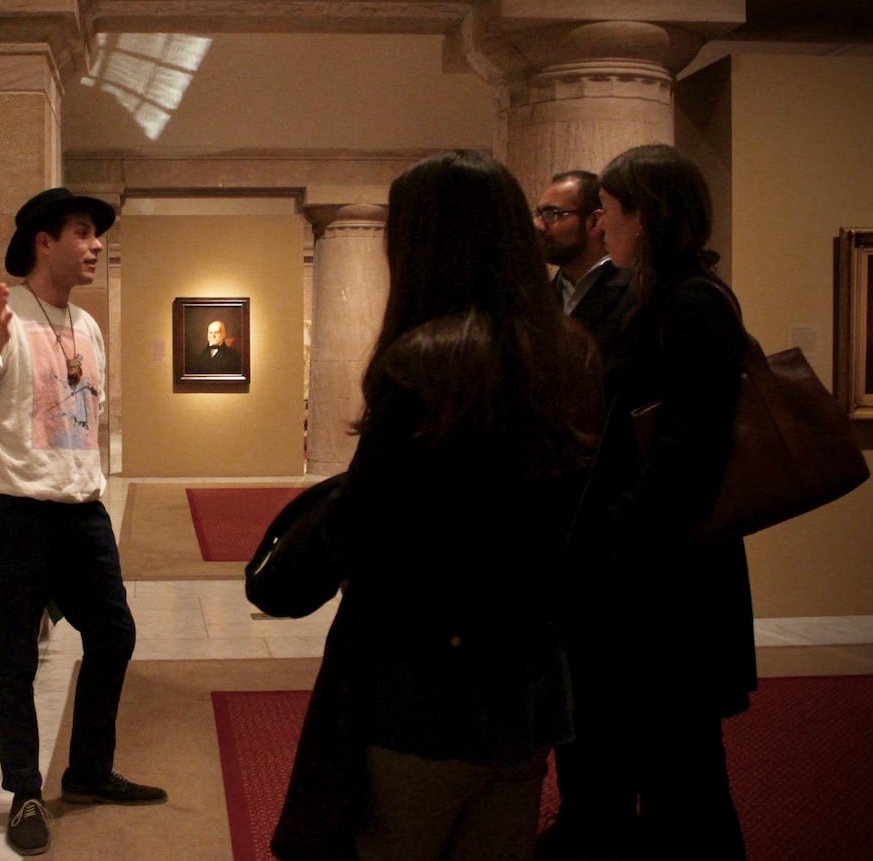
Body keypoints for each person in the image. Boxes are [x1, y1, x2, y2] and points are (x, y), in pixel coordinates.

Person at [267, 150, 603, 860]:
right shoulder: (570, 354)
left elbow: (366, 527)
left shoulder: (426, 363)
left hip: (420, 686)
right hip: (525, 683)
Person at [0, 187, 166, 856]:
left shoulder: (88, 326)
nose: (96, 244)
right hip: (14, 514)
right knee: (16, 657)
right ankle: (24, 790)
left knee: (115, 634)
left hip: (81, 514)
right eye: (82, 231)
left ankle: (89, 769)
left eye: (97, 233)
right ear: (45, 241)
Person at [561, 143, 754, 860]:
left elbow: (686, 457)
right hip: (648, 573)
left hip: (669, 581)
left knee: (685, 777)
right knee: (648, 760)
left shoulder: (691, 301)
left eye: (610, 210)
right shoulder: (659, 293)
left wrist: (609, 531)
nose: (600, 225)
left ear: (649, 215)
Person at [533, 169, 638, 858]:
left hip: (606, 519)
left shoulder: (629, 297)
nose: (542, 223)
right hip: (555, 518)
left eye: (555, 212)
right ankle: (579, 814)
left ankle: (605, 823)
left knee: (604, 690)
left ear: (596, 220)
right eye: (540, 212)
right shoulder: (542, 301)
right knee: (566, 685)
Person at [536, 169, 636, 363]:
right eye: (538, 214)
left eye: (551, 214)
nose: (538, 225)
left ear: (595, 221)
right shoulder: (541, 296)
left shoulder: (636, 290)